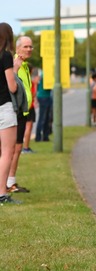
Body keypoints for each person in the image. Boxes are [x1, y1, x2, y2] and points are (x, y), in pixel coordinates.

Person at [7, 36, 34, 193]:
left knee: (17, 148)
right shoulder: (15, 63)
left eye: (31, 47)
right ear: (17, 48)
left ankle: (11, 181)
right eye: (26, 46)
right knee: (12, 149)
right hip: (16, 111)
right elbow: (12, 85)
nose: (29, 49)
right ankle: (7, 183)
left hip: (23, 111)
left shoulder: (24, 65)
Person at [0, 22, 22, 204]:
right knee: (8, 151)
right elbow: (12, 87)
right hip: (4, 107)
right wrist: (15, 70)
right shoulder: (5, 56)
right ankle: (2, 192)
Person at [22, 64, 38, 153]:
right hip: (29, 106)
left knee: (21, 127)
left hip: (23, 106)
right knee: (28, 127)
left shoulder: (22, 80)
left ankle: (20, 145)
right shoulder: (30, 82)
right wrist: (35, 85)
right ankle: (26, 147)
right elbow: (33, 95)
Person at [35, 70, 52, 142]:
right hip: (43, 97)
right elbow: (36, 82)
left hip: (47, 96)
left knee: (47, 118)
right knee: (42, 118)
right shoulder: (44, 74)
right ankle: (38, 137)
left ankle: (45, 136)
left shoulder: (45, 73)